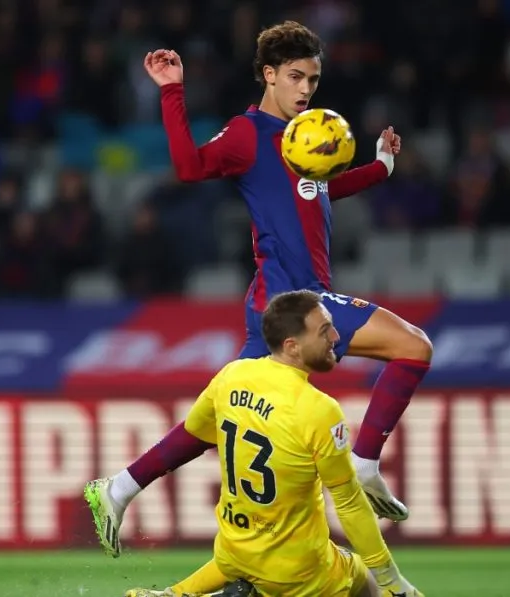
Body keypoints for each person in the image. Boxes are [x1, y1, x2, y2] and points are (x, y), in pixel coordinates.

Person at [86, 20, 434, 556]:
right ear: (269, 75)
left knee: (219, 414)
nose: (304, 90)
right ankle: (363, 461)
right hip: (292, 302)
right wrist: (173, 91)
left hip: (279, 304)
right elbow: (188, 166)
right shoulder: (248, 134)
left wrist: (381, 168)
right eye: (294, 77)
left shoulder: (304, 140)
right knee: (413, 346)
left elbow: (320, 190)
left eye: (313, 80)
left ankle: (119, 487)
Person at [111, 291, 424, 597]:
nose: (337, 337)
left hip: (235, 550)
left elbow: (194, 434)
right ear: (292, 346)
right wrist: (391, 578)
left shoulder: (231, 376)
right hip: (299, 572)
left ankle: (177, 594)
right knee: (367, 582)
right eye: (324, 330)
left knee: (261, 562)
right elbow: (350, 504)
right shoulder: (319, 409)